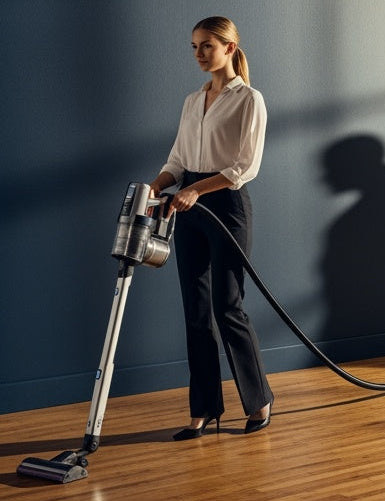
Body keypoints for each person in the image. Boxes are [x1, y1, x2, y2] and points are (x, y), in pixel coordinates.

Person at [148, 16, 274, 440]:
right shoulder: (192, 100)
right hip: (187, 207)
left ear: (230, 48)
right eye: (194, 46)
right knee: (196, 311)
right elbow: (178, 160)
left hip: (225, 205)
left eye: (207, 45)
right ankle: (203, 409)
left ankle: (258, 402)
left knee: (227, 306)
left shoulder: (249, 99)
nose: (199, 54)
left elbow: (245, 166)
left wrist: (196, 190)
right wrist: (157, 185)